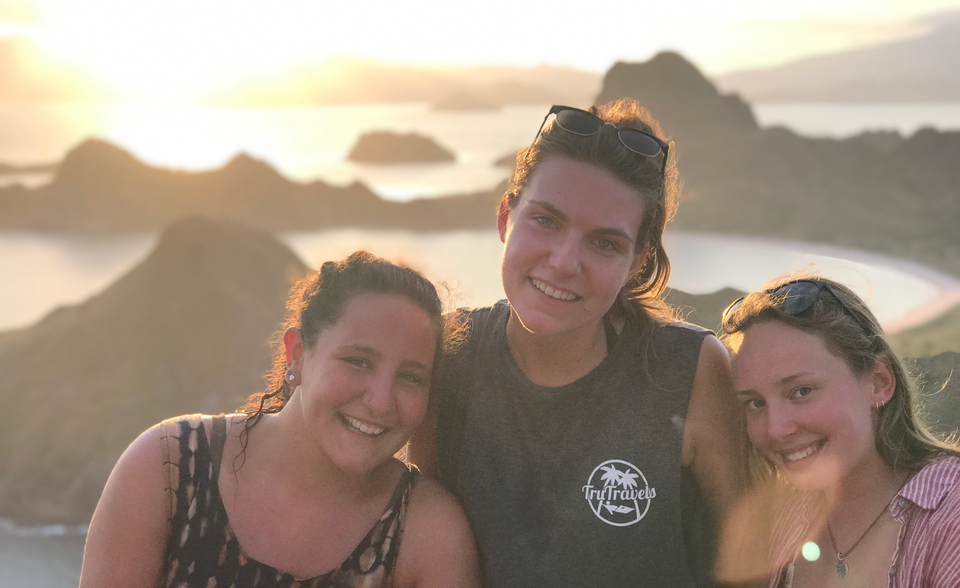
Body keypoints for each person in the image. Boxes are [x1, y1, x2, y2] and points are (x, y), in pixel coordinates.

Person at [408, 100, 744, 587]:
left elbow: (754, 563)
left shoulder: (689, 372)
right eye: (545, 220)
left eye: (605, 243)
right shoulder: (452, 354)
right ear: (507, 217)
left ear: (636, 263)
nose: (565, 262)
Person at [79, 251, 480, 588]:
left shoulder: (426, 534)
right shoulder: (170, 466)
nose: (379, 402)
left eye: (410, 377)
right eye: (358, 361)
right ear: (297, 356)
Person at [719, 275, 960, 587]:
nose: (776, 429)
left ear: (879, 381)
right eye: (755, 403)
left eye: (802, 391)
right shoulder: (785, 516)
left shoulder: (948, 514)